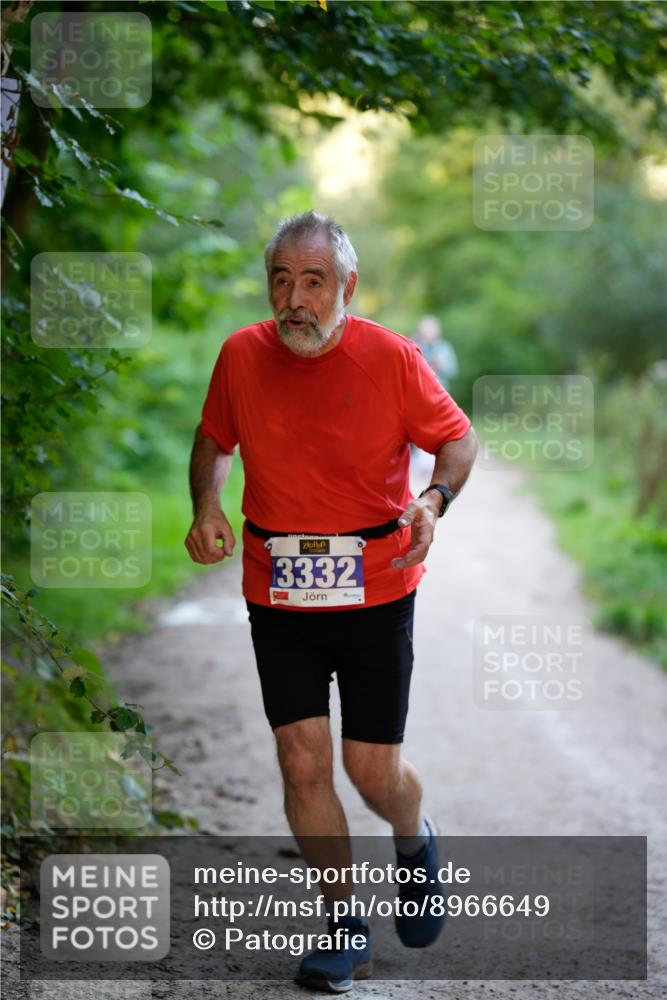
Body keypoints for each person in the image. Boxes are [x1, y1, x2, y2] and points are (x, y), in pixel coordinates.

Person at [184, 210, 477, 993]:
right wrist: (207, 507)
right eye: (281, 280)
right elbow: (213, 441)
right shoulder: (241, 356)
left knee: (371, 773)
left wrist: (433, 500)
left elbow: (458, 438)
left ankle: (414, 843)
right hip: (279, 589)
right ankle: (342, 925)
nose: (294, 299)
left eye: (312, 282)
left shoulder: (391, 357)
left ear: (346, 286)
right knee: (302, 760)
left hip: (376, 587)